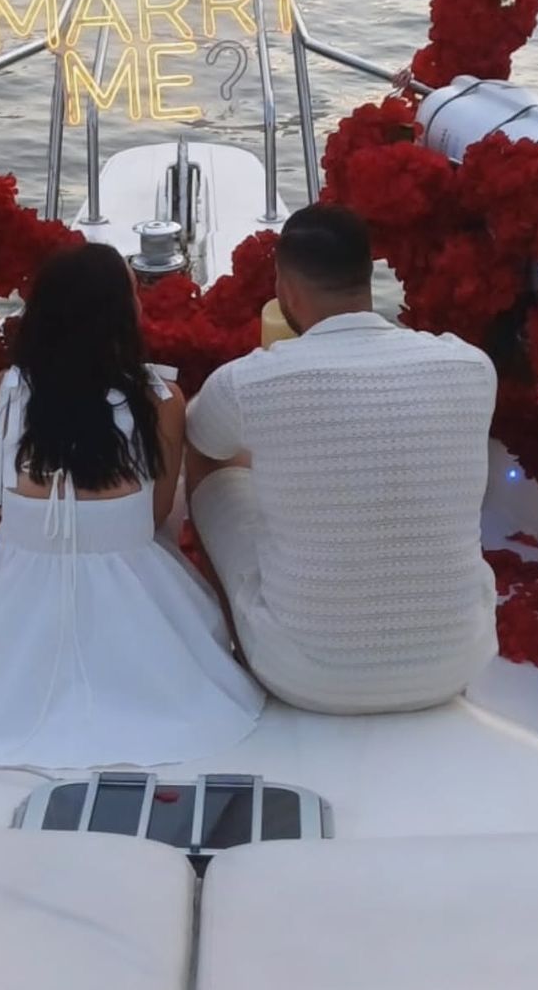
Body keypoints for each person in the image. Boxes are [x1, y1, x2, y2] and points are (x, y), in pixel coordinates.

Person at [0, 241, 263, 767]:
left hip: (20, 584)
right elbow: (154, 517)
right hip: (132, 587)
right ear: (119, 314)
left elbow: (5, 502)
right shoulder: (160, 400)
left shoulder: (4, 390)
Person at [185, 203, 497, 715]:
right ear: (367, 275)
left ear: (285, 288)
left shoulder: (249, 382)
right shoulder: (470, 366)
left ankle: (236, 638)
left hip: (302, 676)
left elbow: (202, 443)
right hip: (458, 662)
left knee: (214, 466)